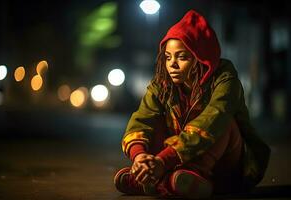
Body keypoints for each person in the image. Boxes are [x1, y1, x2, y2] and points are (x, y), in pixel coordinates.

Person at [113, 9, 270, 199]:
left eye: (182, 57)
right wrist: (140, 157)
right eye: (168, 57)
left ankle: (165, 180)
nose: (172, 65)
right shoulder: (162, 84)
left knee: (224, 124)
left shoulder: (225, 79)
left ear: (200, 57)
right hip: (173, 164)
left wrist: (163, 161)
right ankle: (156, 178)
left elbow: (213, 120)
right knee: (154, 120)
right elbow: (142, 119)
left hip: (225, 167)